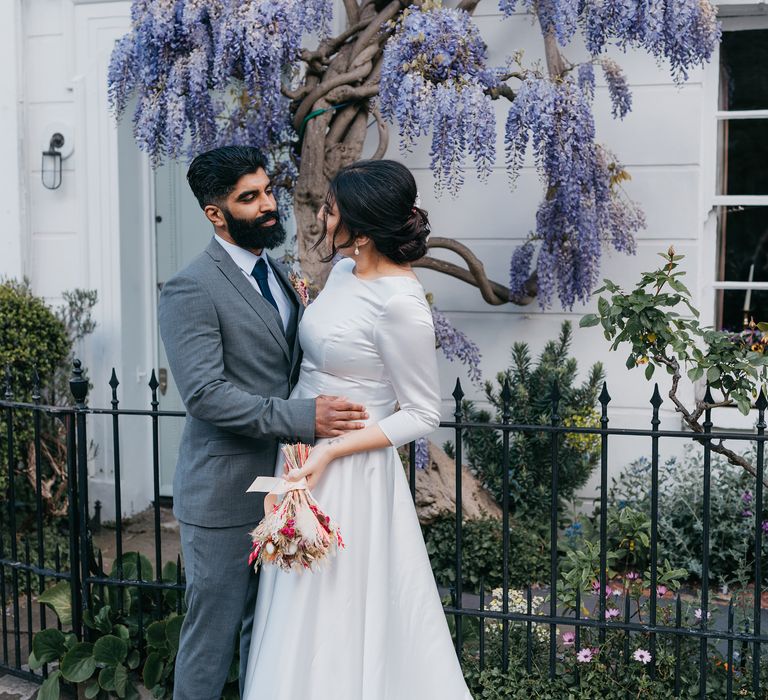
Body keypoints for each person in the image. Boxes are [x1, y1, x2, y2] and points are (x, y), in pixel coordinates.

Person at [242, 159, 474, 699]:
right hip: (302, 452)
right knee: (294, 599)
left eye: (333, 210)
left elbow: (421, 413)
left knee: (336, 605)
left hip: (348, 469)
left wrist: (330, 452)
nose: (324, 217)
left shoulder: (401, 304)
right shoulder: (345, 271)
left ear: (363, 231)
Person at [158, 145, 368, 700]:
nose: (268, 204)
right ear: (215, 214)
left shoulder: (278, 271)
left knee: (269, 632)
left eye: (268, 190)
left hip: (288, 485)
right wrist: (304, 417)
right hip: (224, 494)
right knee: (213, 636)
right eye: (248, 198)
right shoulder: (190, 288)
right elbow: (206, 394)